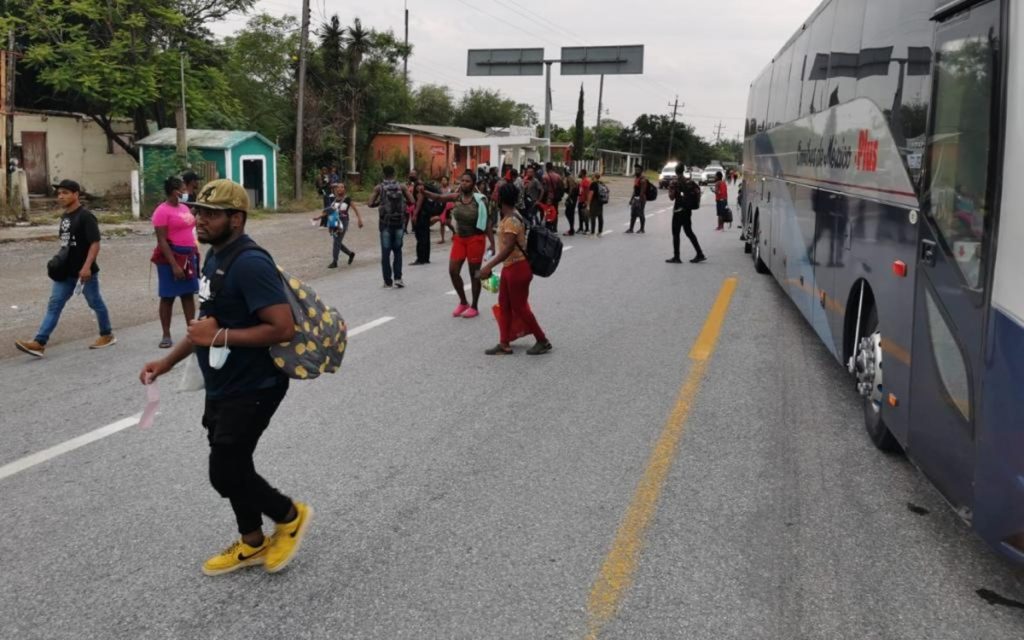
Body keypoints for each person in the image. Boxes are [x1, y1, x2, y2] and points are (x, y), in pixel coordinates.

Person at [139, 179, 312, 577]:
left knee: (225, 469)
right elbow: (204, 323)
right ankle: (252, 542)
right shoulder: (214, 257)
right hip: (222, 381)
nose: (199, 219)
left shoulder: (250, 263)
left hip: (255, 385)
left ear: (237, 218)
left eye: (211, 214)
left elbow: (281, 327)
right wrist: (166, 363)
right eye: (198, 211)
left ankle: (289, 515)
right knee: (235, 462)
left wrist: (219, 336)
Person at [15, 179, 115, 357]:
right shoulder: (65, 217)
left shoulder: (86, 216)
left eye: (65, 193)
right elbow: (66, 244)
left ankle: (106, 334)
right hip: (65, 273)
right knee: (54, 305)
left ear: (76, 194)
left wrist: (86, 268)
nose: (60, 196)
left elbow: (95, 244)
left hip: (84, 273)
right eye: (59, 193)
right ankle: (39, 342)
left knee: (95, 302)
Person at [479, 182, 552, 356]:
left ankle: (542, 340)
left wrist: (488, 266)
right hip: (510, 268)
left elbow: (509, 248)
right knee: (504, 305)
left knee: (520, 307)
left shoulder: (511, 220)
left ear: (501, 199)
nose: (493, 196)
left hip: (518, 269)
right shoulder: (511, 216)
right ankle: (504, 343)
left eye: (496, 194)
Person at [423, 171, 494, 319]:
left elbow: (487, 222)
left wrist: (492, 244)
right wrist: (424, 192)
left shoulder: (480, 200)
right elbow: (439, 197)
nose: (464, 183)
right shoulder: (457, 197)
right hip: (460, 239)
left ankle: (474, 306)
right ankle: (463, 302)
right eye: (462, 181)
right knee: (453, 271)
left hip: (476, 239)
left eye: (467, 181)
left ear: (473, 184)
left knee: (474, 274)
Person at [152, 175, 199, 348]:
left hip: (188, 255)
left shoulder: (184, 208)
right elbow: (162, 240)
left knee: (187, 295)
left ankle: (192, 333)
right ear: (175, 191)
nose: (186, 192)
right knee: (168, 296)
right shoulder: (161, 211)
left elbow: (188, 225)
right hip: (170, 258)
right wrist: (174, 265)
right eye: (183, 189)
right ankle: (166, 334)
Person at [369, 166, 414, 288]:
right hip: (399, 223)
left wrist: (380, 203)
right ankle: (398, 278)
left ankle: (387, 281)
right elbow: (412, 201)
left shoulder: (379, 187)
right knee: (398, 251)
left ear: (383, 174)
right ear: (394, 173)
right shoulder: (402, 186)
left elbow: (370, 203)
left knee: (386, 253)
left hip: (385, 224)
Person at [314, 182, 363, 268]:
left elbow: (356, 209)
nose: (339, 189)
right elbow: (329, 210)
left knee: (336, 242)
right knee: (337, 242)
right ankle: (350, 254)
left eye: (341, 187)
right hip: (334, 222)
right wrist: (319, 217)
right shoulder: (335, 199)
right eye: (338, 188)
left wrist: (359, 220)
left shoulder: (347, 199)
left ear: (345, 189)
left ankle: (334, 261)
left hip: (343, 222)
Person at [667, 164, 706, 264]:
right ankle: (700, 253)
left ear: (676, 171)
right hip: (687, 210)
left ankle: (677, 257)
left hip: (678, 211)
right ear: (683, 171)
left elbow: (671, 197)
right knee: (689, 232)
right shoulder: (690, 181)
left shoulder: (674, 182)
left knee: (676, 234)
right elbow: (698, 191)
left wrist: (671, 191)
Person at [411, 180, 442, 265]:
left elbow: (419, 204)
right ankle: (426, 258)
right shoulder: (426, 192)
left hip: (421, 217)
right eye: (418, 185)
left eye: (421, 185)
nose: (419, 187)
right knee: (426, 237)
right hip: (426, 216)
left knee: (420, 238)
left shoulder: (421, 193)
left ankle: (420, 259)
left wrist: (415, 215)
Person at [626, 165, 649, 233]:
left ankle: (642, 229)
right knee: (633, 214)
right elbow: (635, 190)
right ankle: (631, 229)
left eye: (638, 170)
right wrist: (631, 199)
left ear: (641, 171)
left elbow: (642, 191)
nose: (636, 171)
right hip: (636, 199)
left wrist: (639, 200)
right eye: (635, 170)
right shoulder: (636, 178)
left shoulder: (643, 180)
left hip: (641, 199)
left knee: (641, 213)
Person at [563, 169, 578, 236]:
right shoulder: (570, 178)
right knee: (569, 213)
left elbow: (571, 189)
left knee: (569, 213)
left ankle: (571, 230)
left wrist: (568, 197)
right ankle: (571, 229)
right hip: (572, 198)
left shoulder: (570, 178)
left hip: (571, 198)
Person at [577, 169, 592, 234]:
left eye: (580, 172)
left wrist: (586, 201)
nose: (579, 174)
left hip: (584, 201)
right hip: (580, 200)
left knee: (585, 215)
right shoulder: (582, 180)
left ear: (582, 173)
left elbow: (587, 192)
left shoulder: (586, 181)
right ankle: (581, 228)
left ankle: (587, 229)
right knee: (580, 215)